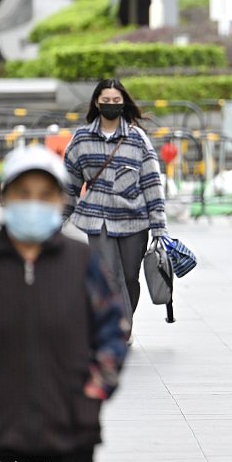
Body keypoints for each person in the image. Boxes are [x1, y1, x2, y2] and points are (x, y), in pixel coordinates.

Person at [0, 145, 128, 462]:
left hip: (71, 428)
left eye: (45, 195)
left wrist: (94, 391)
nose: (34, 202)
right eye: (24, 193)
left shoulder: (81, 262)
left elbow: (113, 331)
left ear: (60, 201)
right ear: (5, 197)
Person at [64, 78, 169, 341]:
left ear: (123, 103)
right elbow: (68, 183)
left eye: (116, 100)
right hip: (97, 220)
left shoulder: (137, 139)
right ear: (96, 103)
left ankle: (125, 321)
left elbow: (152, 183)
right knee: (109, 275)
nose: (111, 105)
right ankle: (118, 328)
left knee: (130, 278)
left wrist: (159, 226)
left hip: (134, 220)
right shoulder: (81, 139)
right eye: (106, 101)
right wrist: (56, 220)